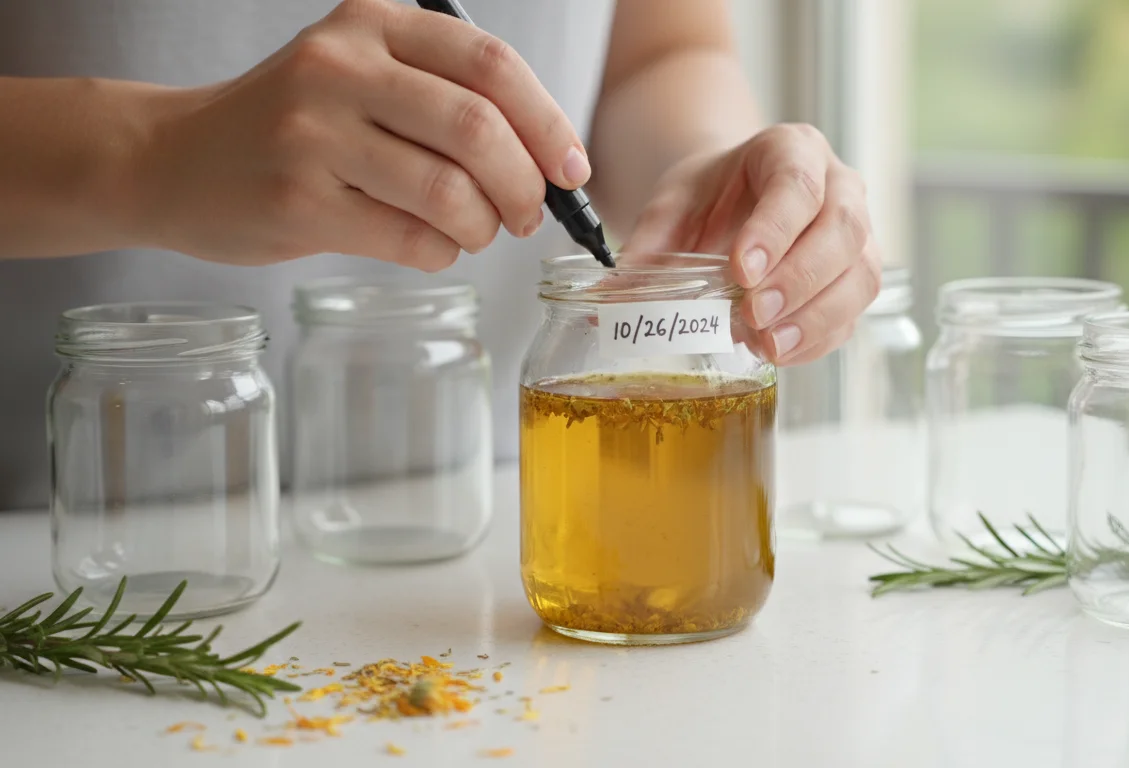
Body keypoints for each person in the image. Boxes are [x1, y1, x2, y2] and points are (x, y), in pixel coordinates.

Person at [0, 0, 881, 510]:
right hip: (51, 543)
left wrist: (705, 162)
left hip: (492, 515)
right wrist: (150, 154)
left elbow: (662, 49)